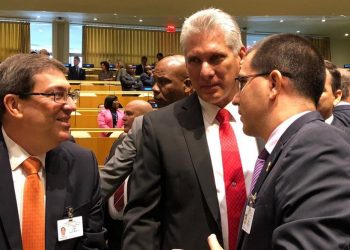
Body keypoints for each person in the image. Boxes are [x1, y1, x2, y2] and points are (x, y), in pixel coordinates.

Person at [122, 8, 260, 250]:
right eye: (194, 60)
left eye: (216, 58)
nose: (205, 71)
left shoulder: (268, 119)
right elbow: (142, 219)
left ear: (240, 56)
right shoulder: (159, 127)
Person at [209, 33, 350, 250]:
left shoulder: (317, 147)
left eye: (242, 82)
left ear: (274, 83)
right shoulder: (289, 146)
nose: (235, 99)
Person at [0, 53, 106, 249]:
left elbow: (92, 243)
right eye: (56, 95)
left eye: (70, 94)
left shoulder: (83, 164)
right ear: (14, 105)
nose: (72, 106)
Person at [99, 54, 193, 200]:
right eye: (155, 81)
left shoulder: (208, 124)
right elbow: (109, 178)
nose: (154, 88)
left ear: (187, 85)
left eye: (163, 82)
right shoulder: (142, 125)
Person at [104, 99, 152, 250]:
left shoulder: (155, 145)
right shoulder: (119, 141)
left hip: (139, 227)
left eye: (129, 114)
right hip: (111, 226)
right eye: (124, 113)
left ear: (144, 118)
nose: (123, 118)